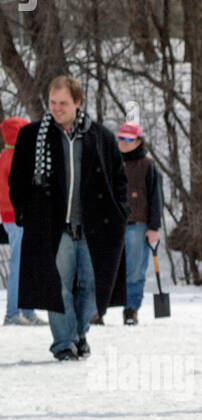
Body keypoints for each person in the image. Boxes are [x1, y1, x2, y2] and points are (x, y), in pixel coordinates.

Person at [8, 75, 127, 359]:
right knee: (57, 288)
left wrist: (122, 212)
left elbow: (119, 179)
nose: (56, 108)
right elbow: (18, 180)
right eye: (52, 102)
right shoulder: (33, 136)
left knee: (91, 286)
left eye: (63, 103)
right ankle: (63, 343)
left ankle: (79, 334)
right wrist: (24, 212)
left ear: (77, 102)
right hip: (52, 228)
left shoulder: (100, 137)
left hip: (93, 226)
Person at [114, 122, 163, 326]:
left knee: (134, 269)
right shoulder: (111, 163)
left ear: (138, 141)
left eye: (128, 139)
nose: (123, 143)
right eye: (121, 138)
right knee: (108, 269)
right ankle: (97, 310)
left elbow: (156, 198)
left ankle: (131, 308)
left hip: (137, 224)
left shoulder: (148, 166)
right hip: (112, 224)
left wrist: (154, 227)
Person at [1, 114, 40, 325]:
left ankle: (26, 311)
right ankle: (14, 313)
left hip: (13, 217)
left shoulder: (5, 156)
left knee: (25, 263)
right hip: (19, 217)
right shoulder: (18, 158)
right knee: (20, 264)